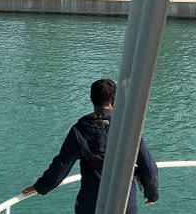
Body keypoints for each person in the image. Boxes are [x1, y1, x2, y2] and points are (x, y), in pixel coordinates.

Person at [21, 79, 159, 214]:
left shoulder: (79, 129)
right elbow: (148, 165)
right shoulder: (128, 128)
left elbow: (62, 165)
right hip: (124, 204)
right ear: (114, 100)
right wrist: (152, 193)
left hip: (90, 205)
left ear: (92, 99)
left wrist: (41, 186)